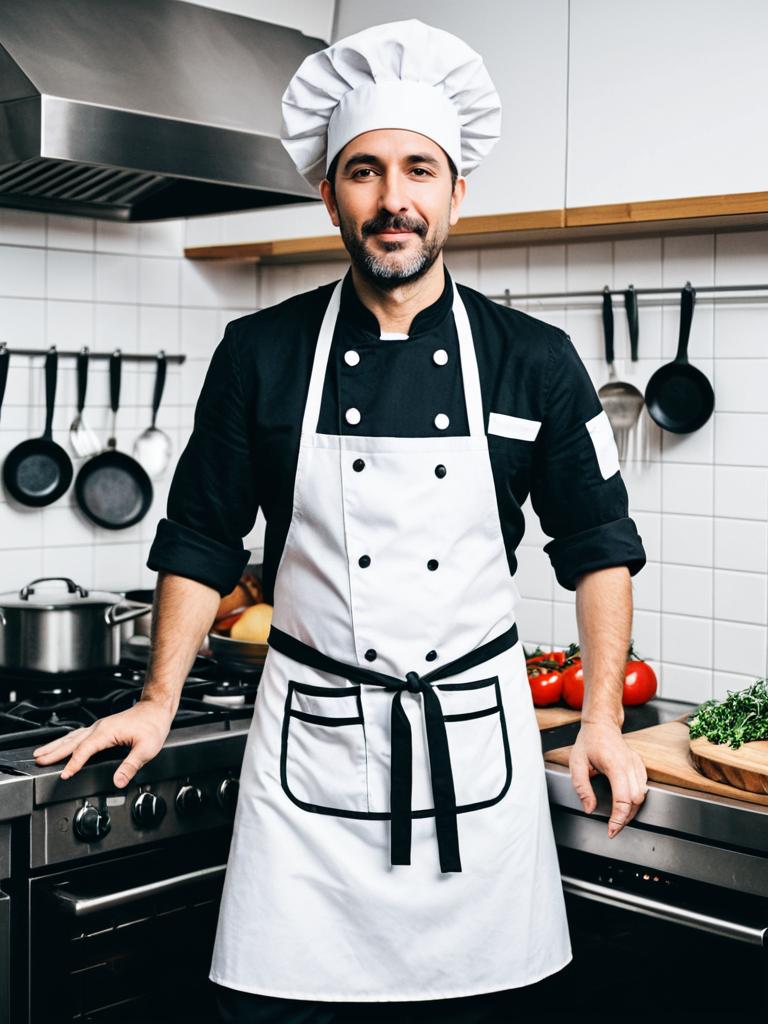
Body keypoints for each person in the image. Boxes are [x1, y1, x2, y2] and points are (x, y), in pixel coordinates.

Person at [33, 19, 648, 1024]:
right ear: (329, 193)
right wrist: (155, 697)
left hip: (471, 755)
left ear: (458, 192)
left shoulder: (533, 360)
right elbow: (199, 540)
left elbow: (599, 547)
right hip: (309, 758)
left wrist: (604, 722)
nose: (392, 197)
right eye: (364, 171)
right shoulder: (259, 353)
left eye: (418, 170)